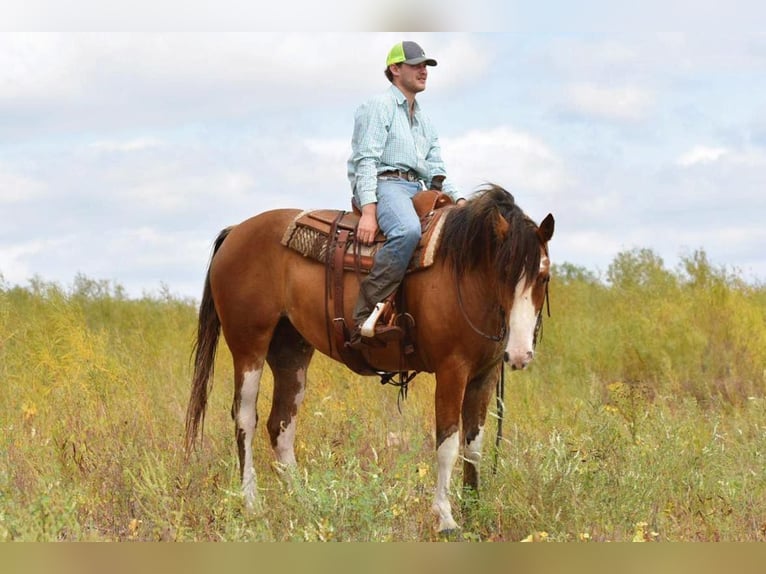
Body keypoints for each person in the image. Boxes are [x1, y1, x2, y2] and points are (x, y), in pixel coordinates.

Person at [346, 40, 465, 349]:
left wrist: (462, 201)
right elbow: (366, 160)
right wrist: (369, 211)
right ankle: (364, 315)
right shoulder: (379, 106)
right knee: (407, 230)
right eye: (415, 65)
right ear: (395, 69)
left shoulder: (425, 122)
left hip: (418, 189)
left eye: (426, 65)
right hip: (385, 185)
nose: (423, 70)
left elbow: (437, 171)